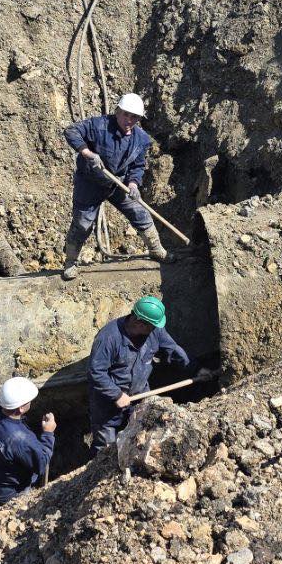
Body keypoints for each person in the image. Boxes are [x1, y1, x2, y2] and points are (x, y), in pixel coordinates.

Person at [61, 92, 167, 280]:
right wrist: (88, 154)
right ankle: (71, 262)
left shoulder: (141, 139)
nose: (129, 119)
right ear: (117, 111)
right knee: (82, 224)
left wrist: (133, 184)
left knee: (140, 213)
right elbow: (71, 131)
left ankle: (157, 250)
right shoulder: (98, 126)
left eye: (134, 117)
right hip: (90, 183)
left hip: (119, 183)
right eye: (125, 114)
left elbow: (138, 165)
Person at [88, 296, 189, 449]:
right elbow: (96, 372)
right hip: (107, 403)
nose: (156, 329)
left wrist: (195, 368)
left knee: (143, 437)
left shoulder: (155, 330)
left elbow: (173, 350)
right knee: (105, 447)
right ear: (138, 322)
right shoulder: (109, 338)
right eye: (152, 326)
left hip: (140, 395)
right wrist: (117, 394)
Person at [0, 377, 57, 506]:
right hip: (11, 491)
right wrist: (48, 433)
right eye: (29, 401)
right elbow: (41, 463)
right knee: (8, 515)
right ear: (20, 409)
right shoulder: (21, 440)